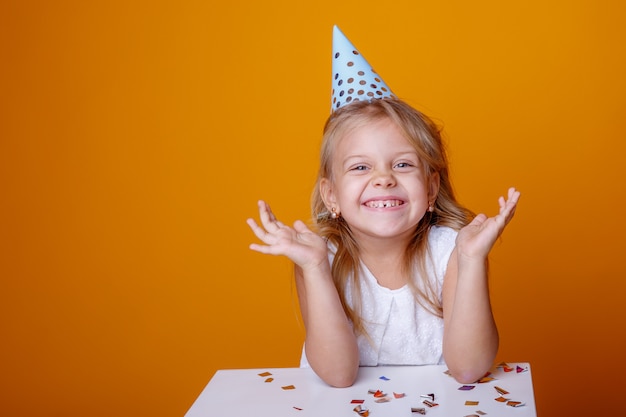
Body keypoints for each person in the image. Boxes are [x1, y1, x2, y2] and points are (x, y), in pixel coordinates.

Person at [246, 26, 520, 388]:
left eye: (403, 164)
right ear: (332, 197)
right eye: (361, 167)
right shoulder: (319, 256)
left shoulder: (452, 251)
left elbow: (468, 370)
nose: (383, 179)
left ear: (431, 187)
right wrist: (313, 268)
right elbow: (338, 377)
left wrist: (470, 260)